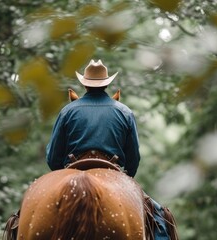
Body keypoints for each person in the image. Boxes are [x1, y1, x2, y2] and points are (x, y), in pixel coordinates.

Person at [46, 59, 177, 240]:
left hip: (72, 168)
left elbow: (53, 158)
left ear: (85, 84)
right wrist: (128, 178)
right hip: (112, 169)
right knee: (160, 218)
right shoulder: (124, 112)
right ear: (106, 83)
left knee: (22, 218)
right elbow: (133, 159)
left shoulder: (67, 111)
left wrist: (63, 172)